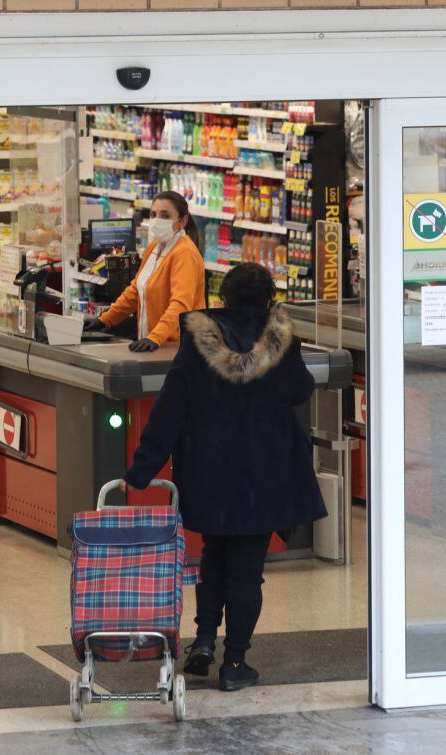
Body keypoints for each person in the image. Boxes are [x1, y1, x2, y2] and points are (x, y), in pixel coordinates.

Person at [122, 263, 326, 692]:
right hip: (263, 469)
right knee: (247, 570)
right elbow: (298, 391)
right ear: (268, 298)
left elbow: (171, 404)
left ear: (224, 297)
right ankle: (235, 663)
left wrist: (142, 469)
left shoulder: (199, 339)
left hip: (208, 465)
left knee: (213, 556)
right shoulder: (279, 338)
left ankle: (203, 643)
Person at [85, 191, 206, 352]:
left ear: (183, 221)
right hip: (155, 343)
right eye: (154, 214)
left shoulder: (185, 254)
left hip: (178, 347)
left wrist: (155, 337)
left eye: (165, 216)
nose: (157, 220)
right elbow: (135, 291)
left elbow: (181, 305)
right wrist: (104, 320)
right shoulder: (154, 246)